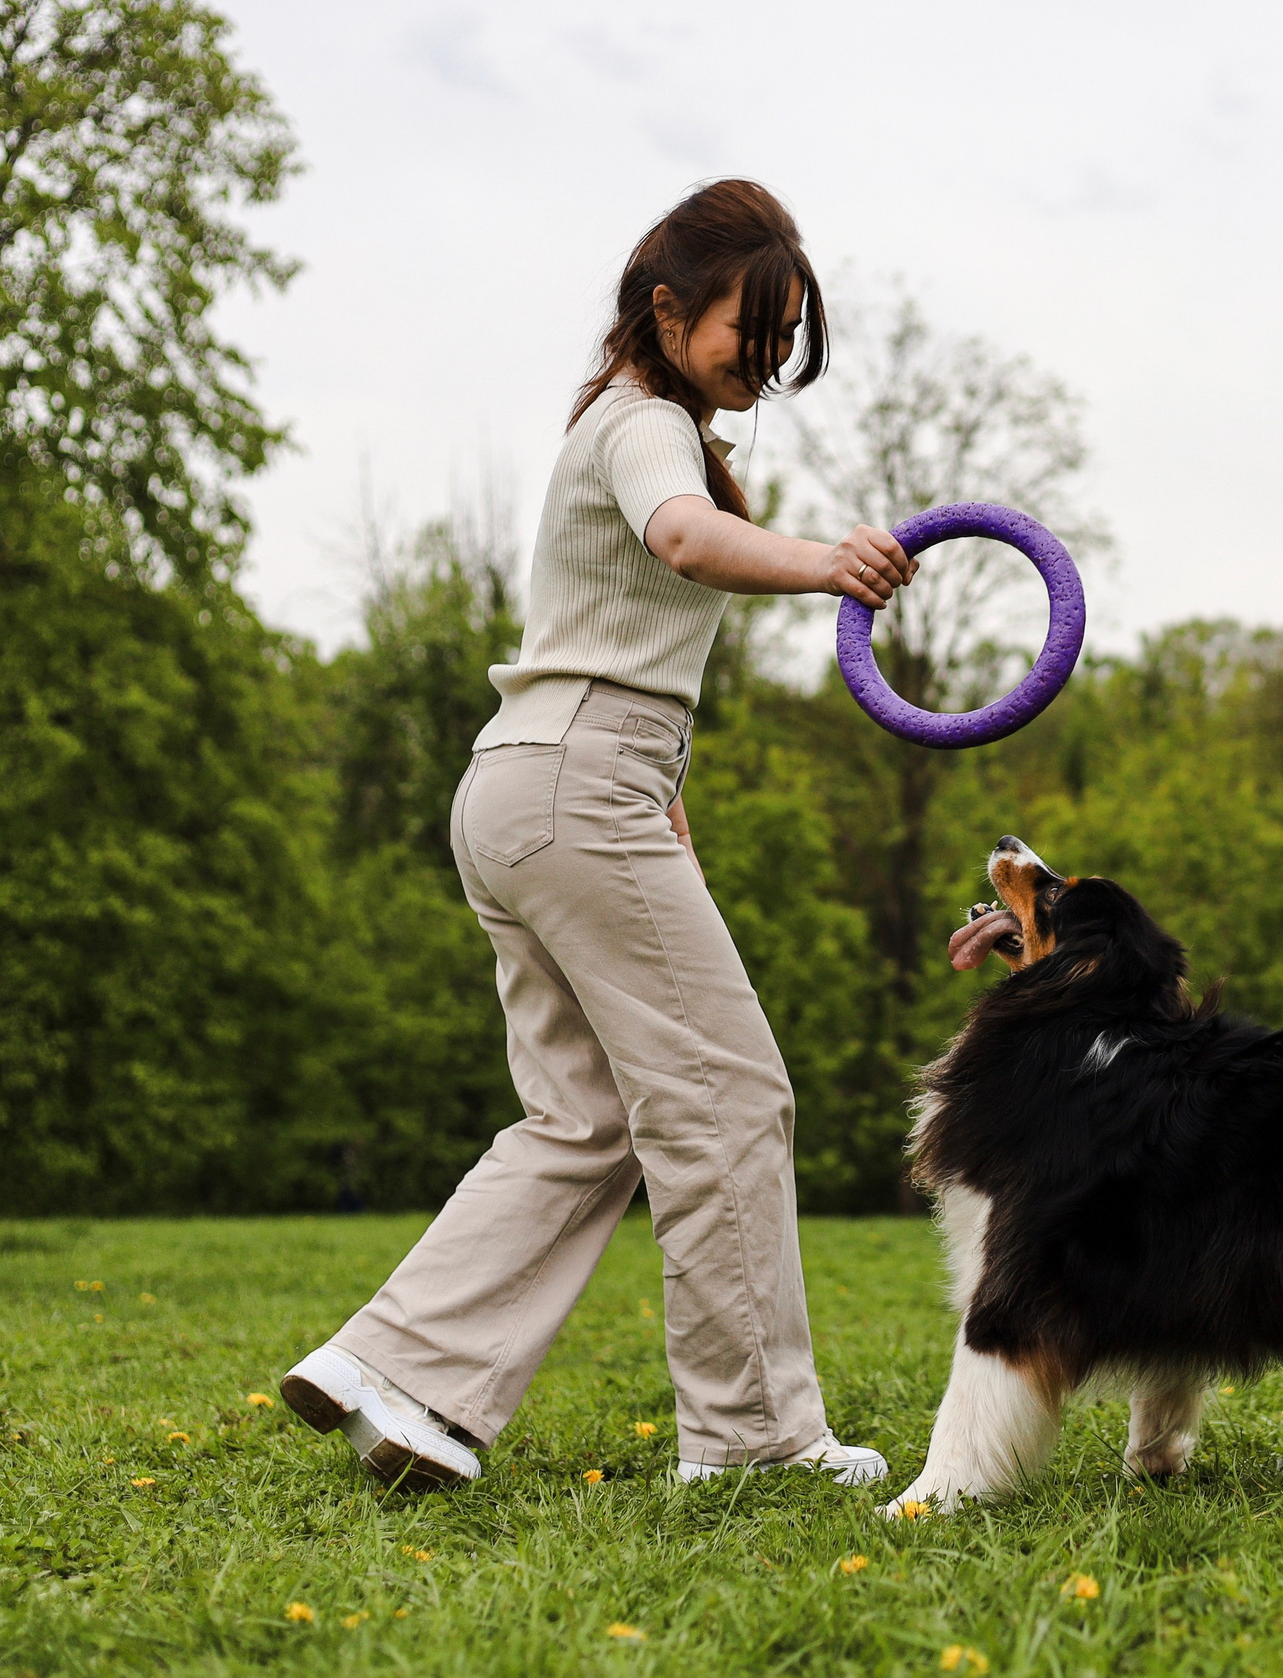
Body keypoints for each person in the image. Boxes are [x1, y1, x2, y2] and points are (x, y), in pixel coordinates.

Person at [280, 180, 915, 1493]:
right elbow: (684, 543)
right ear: (671, 311)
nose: (772, 359)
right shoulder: (642, 428)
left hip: (530, 788)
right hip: (572, 788)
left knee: (585, 1118)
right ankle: (750, 1443)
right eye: (757, 328)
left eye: (789, 338)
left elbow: (616, 640)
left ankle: (396, 1375)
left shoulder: (633, 423)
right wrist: (829, 562)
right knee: (731, 1097)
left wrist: (663, 804)